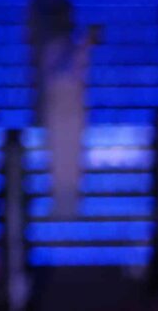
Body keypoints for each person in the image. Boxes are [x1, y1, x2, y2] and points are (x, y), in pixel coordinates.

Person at [38, 26, 96, 219]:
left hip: (74, 113)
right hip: (56, 112)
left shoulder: (82, 50)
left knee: (73, 157)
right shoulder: (51, 51)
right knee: (57, 158)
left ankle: (73, 204)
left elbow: (83, 77)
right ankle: (58, 202)